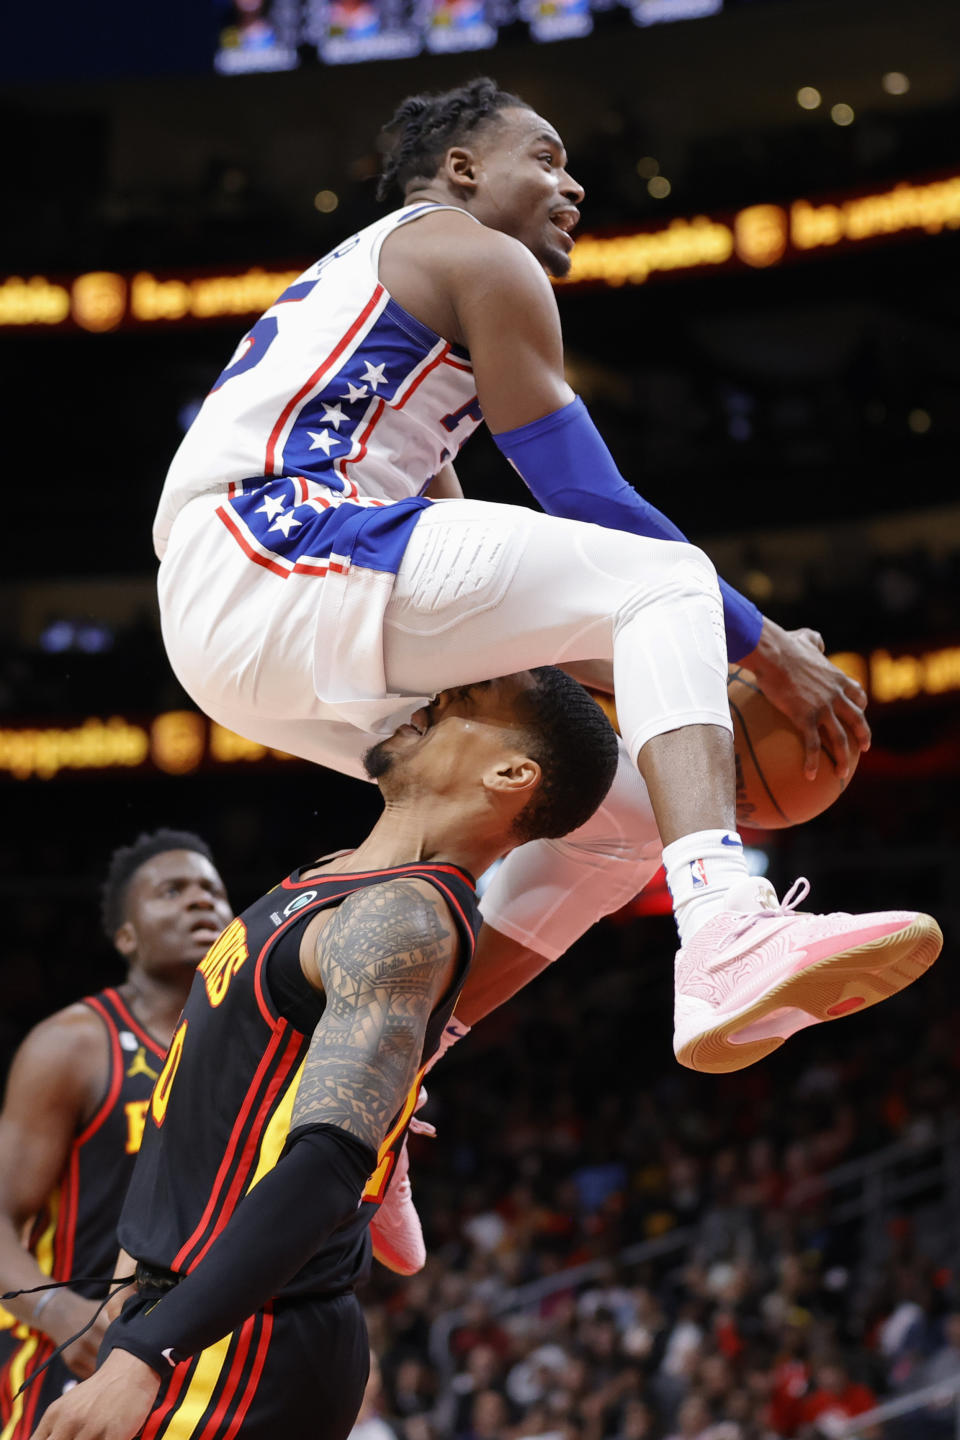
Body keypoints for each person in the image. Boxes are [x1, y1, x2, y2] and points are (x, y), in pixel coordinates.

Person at [150, 75, 940, 1084]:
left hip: (244, 632)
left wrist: (648, 677)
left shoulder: (392, 312)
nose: (574, 187)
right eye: (549, 158)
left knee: (621, 813)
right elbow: (584, 497)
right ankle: (724, 927)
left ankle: (381, 1076)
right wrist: (768, 650)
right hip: (273, 545)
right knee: (668, 580)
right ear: (465, 169)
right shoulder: (471, 251)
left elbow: (466, 556)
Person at [31, 667, 620, 1440]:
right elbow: (210, 1112)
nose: (426, 704)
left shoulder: (405, 920)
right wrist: (129, 1286)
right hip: (186, 1316)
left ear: (512, 773)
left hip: (235, 1348)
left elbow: (327, 1168)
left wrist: (144, 1354)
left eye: (460, 704)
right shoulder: (338, 878)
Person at [0, 830, 231, 1440]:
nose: (199, 902)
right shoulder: (73, 1044)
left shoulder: (260, 1052)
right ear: (126, 936)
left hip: (202, 1366)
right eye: (172, 891)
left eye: (212, 890)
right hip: (73, 1357)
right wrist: (56, 1311)